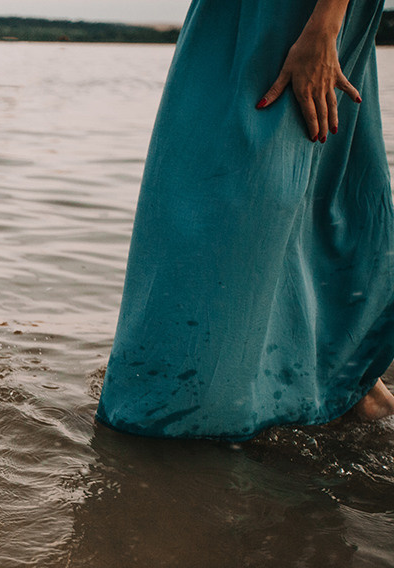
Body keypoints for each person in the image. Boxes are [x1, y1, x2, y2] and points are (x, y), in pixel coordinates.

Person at [96, 0, 394, 440]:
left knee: (231, 200)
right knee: (277, 195)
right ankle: (349, 386)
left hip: (296, 15)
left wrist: (326, 25)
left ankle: (188, 416)